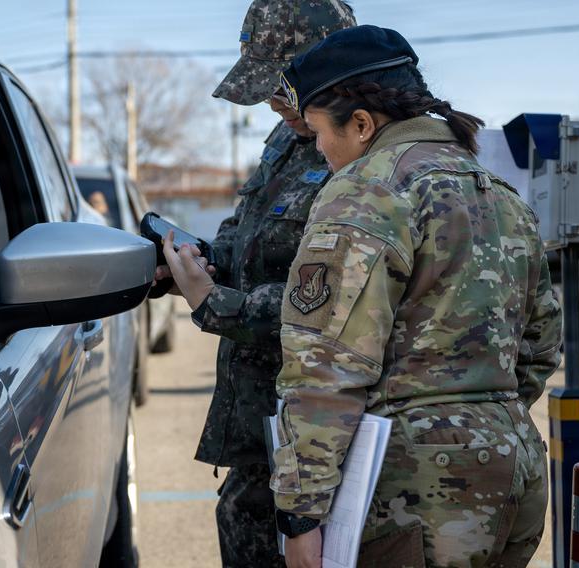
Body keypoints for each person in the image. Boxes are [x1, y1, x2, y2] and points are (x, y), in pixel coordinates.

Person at [261, 25, 561, 567]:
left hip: (416, 487)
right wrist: (479, 418)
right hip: (514, 470)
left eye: (318, 132)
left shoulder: (368, 190)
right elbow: (540, 343)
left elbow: (325, 367)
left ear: (360, 124)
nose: (320, 151)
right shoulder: (498, 191)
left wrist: (300, 513)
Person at [155, 1, 355, 565]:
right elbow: (247, 235)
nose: (273, 103)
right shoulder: (289, 138)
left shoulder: (363, 156)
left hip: (316, 452)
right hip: (258, 436)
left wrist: (217, 304)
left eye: (282, 88)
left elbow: (338, 310)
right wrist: (197, 261)